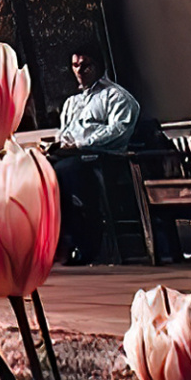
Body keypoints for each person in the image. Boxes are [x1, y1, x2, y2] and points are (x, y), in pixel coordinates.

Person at [49, 42, 140, 265]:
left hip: (104, 159)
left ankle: (86, 242)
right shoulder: (72, 102)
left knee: (64, 172)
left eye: (85, 65)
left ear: (98, 65)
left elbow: (119, 130)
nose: (79, 71)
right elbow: (65, 134)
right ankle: (59, 241)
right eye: (75, 65)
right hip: (70, 157)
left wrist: (81, 144)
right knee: (40, 171)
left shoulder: (116, 97)